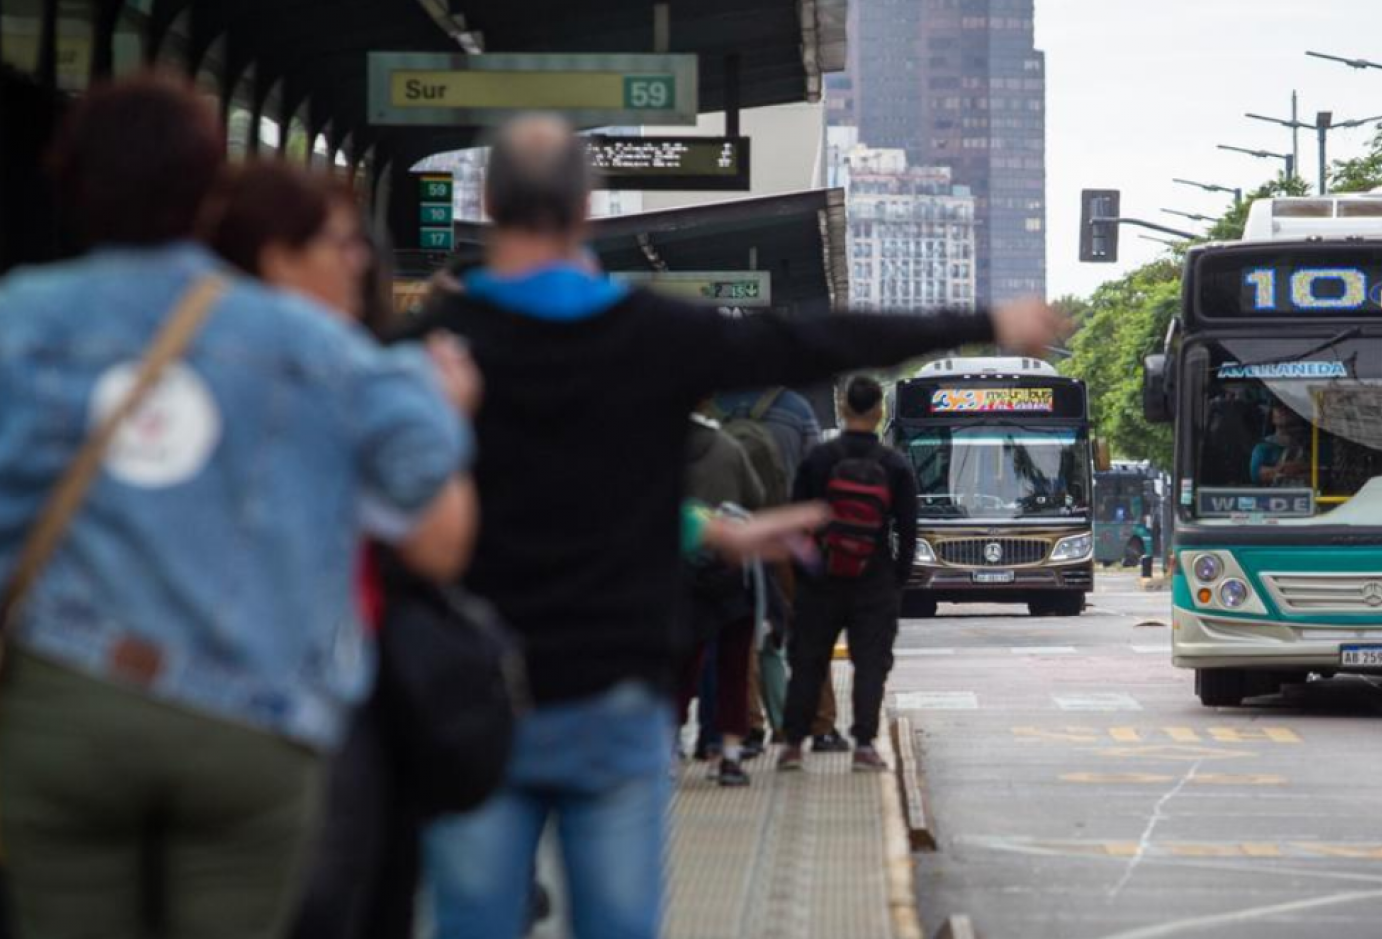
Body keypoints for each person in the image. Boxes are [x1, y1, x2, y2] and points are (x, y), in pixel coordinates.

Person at [412, 113, 1065, 939]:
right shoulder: (650, 334)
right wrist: (985, 321)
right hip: (614, 692)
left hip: (472, 696)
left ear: (492, 202)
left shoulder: (431, 347)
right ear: (584, 206)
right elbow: (811, 340)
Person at [0, 73, 474, 939]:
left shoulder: (11, 322)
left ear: (69, 182)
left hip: (66, 705)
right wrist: (445, 404)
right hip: (251, 718)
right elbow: (417, 466)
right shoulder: (304, 341)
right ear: (208, 191)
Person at [204, 161, 481, 939]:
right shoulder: (362, 376)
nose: (358, 261)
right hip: (318, 701)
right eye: (340, 243)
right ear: (277, 253)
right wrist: (448, 419)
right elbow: (437, 544)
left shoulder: (171, 359)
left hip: (173, 696)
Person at [777, 376, 920, 773]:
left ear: (842, 409)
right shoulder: (893, 464)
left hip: (820, 579)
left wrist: (804, 573)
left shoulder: (819, 459)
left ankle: (792, 745)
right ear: (878, 412)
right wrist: (896, 581)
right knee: (870, 663)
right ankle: (863, 746)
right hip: (873, 581)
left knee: (809, 661)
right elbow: (908, 531)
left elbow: (796, 520)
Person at [712, 387, 846, 753]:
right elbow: (820, 469)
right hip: (790, 534)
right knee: (810, 627)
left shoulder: (717, 405)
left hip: (733, 535)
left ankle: (747, 727)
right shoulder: (796, 407)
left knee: (742, 632)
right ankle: (820, 726)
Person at [679, 409, 768, 787]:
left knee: (680, 667)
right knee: (732, 668)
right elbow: (757, 497)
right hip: (730, 572)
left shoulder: (658, 446)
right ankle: (728, 755)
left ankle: (668, 751)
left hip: (680, 574)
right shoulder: (730, 448)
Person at [1251, 400, 1313, 486]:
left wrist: (1301, 467)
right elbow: (1256, 475)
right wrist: (1283, 470)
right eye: (1278, 408)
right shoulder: (1264, 446)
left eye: (1288, 407)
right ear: (1272, 416)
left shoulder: (1310, 444)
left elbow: (1318, 474)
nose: (1283, 411)